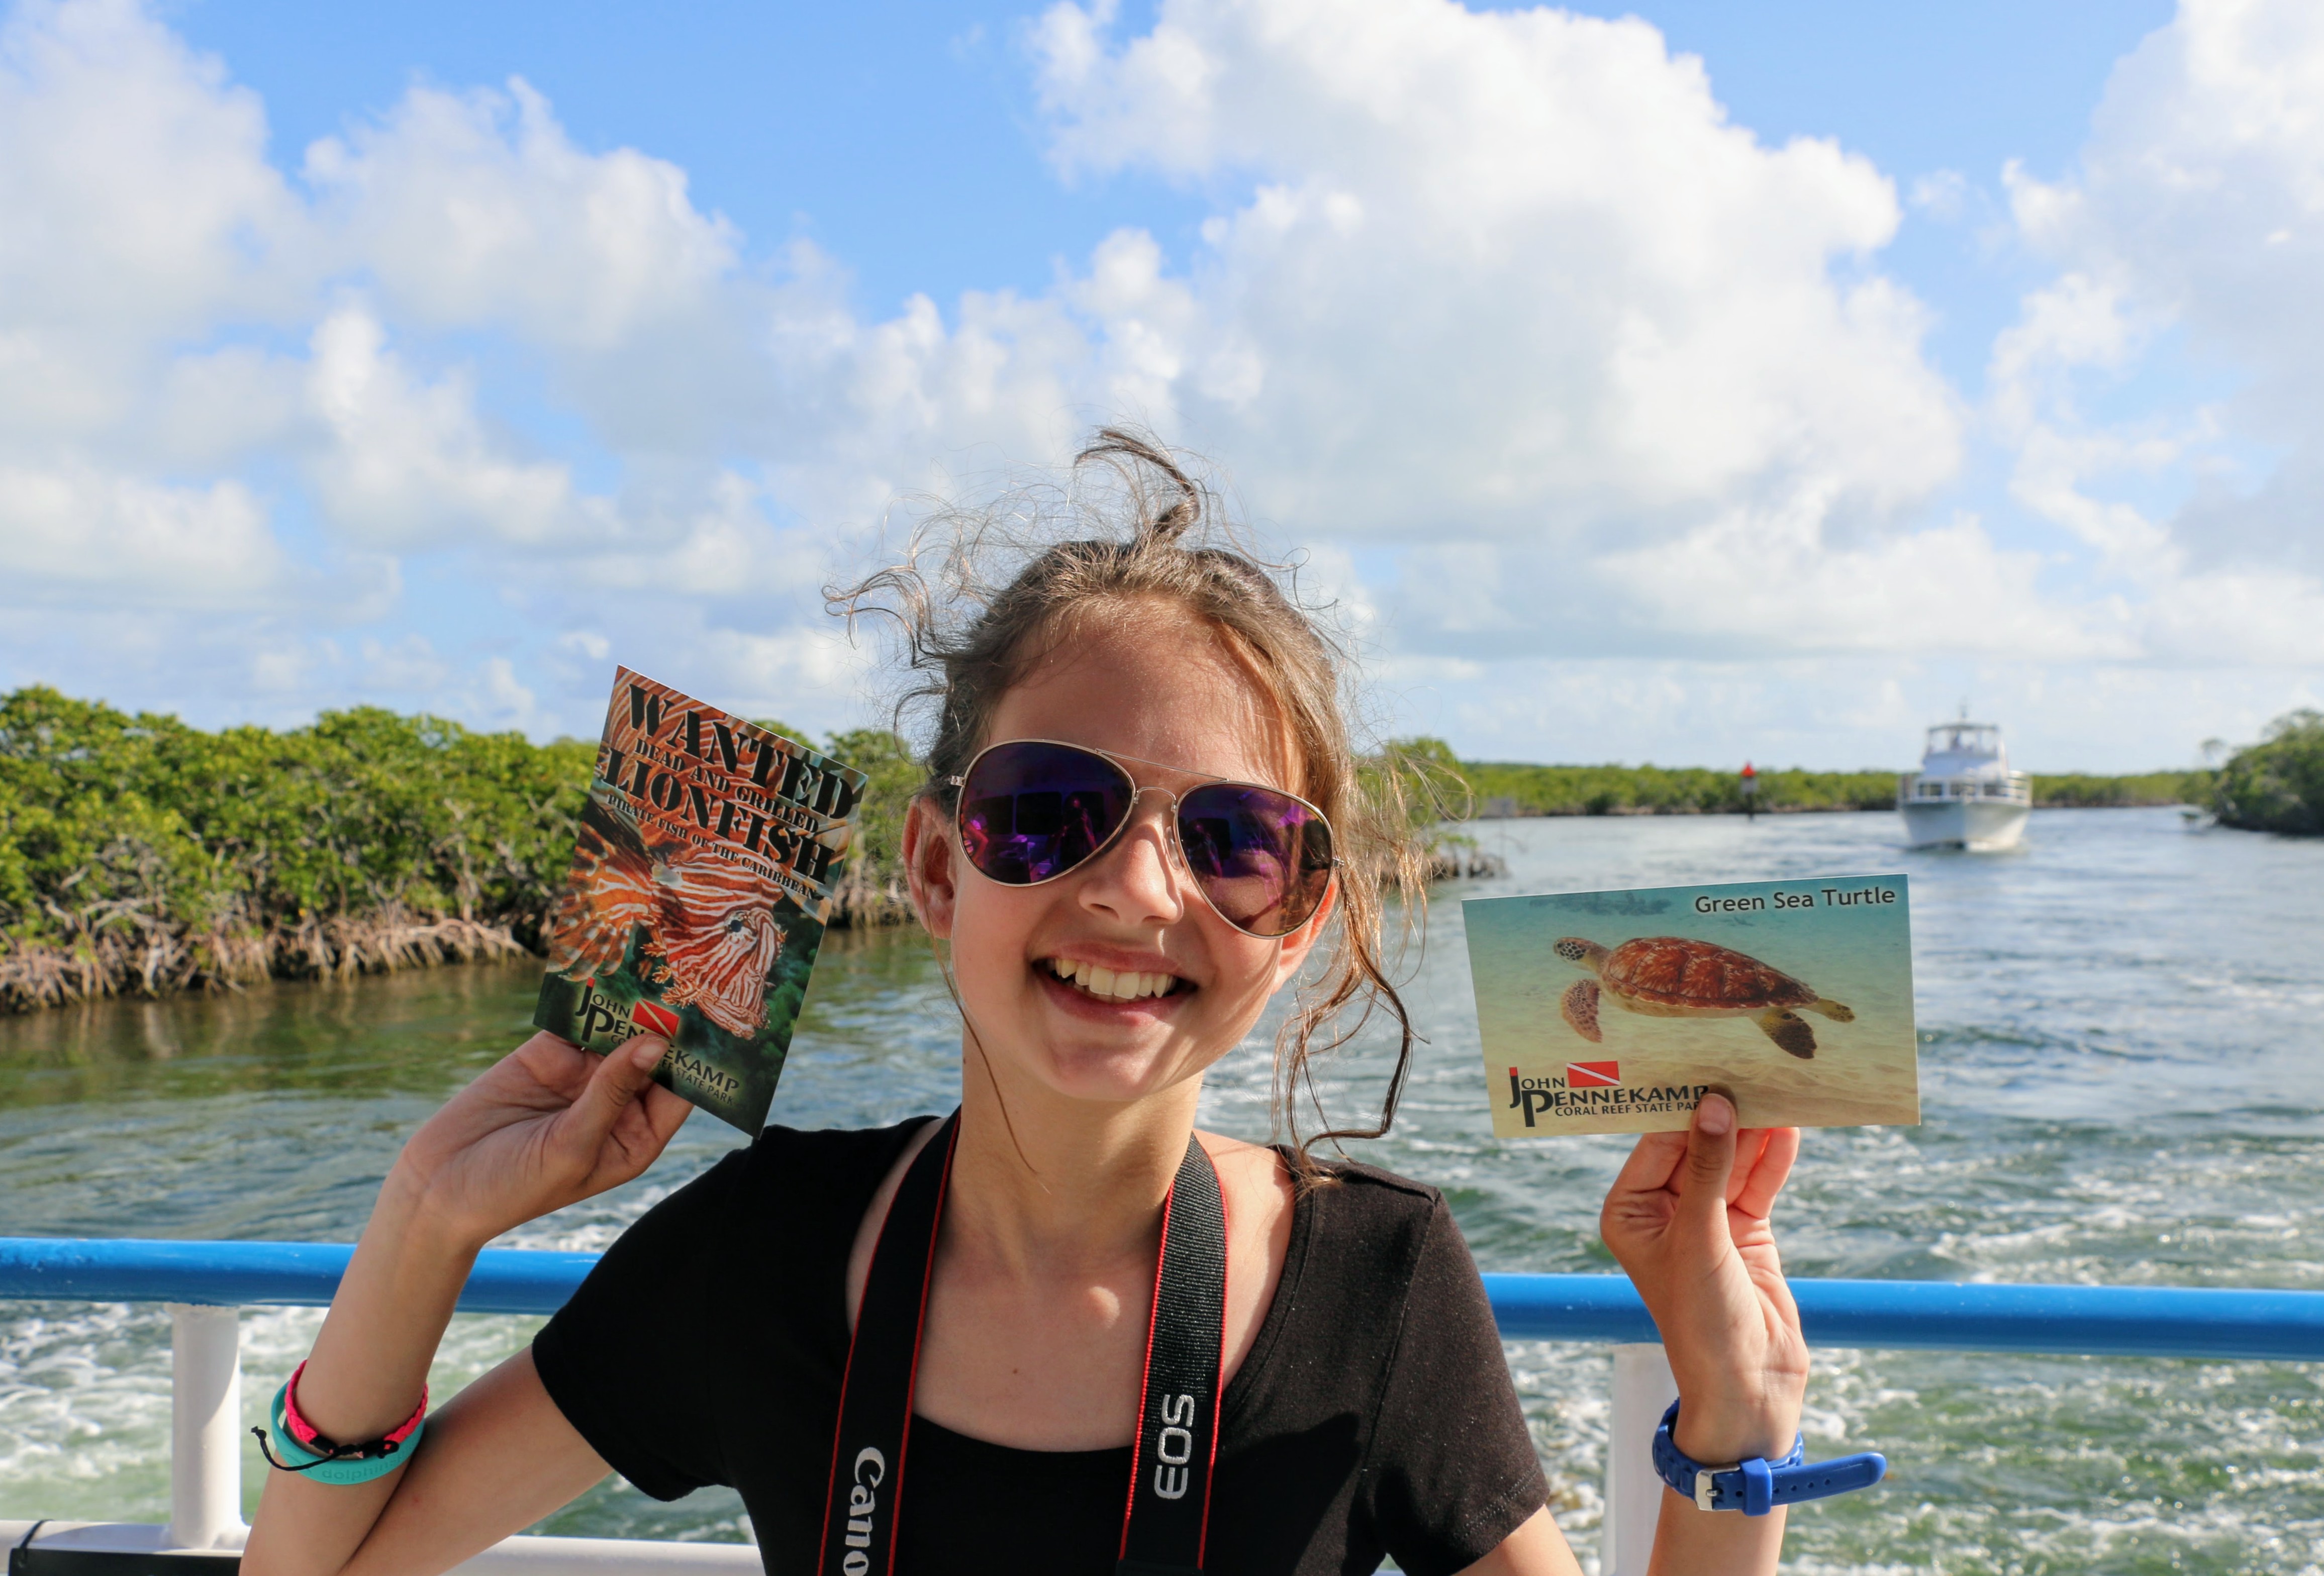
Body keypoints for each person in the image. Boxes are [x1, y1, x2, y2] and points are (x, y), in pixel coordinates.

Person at [242, 434, 1814, 1576]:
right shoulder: (764, 1246)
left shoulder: (1376, 1283)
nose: (1138, 892)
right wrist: (424, 1223)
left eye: (1235, 842)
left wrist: (1731, 1416)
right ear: (934, 868)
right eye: (1048, 808)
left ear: (1300, 917)